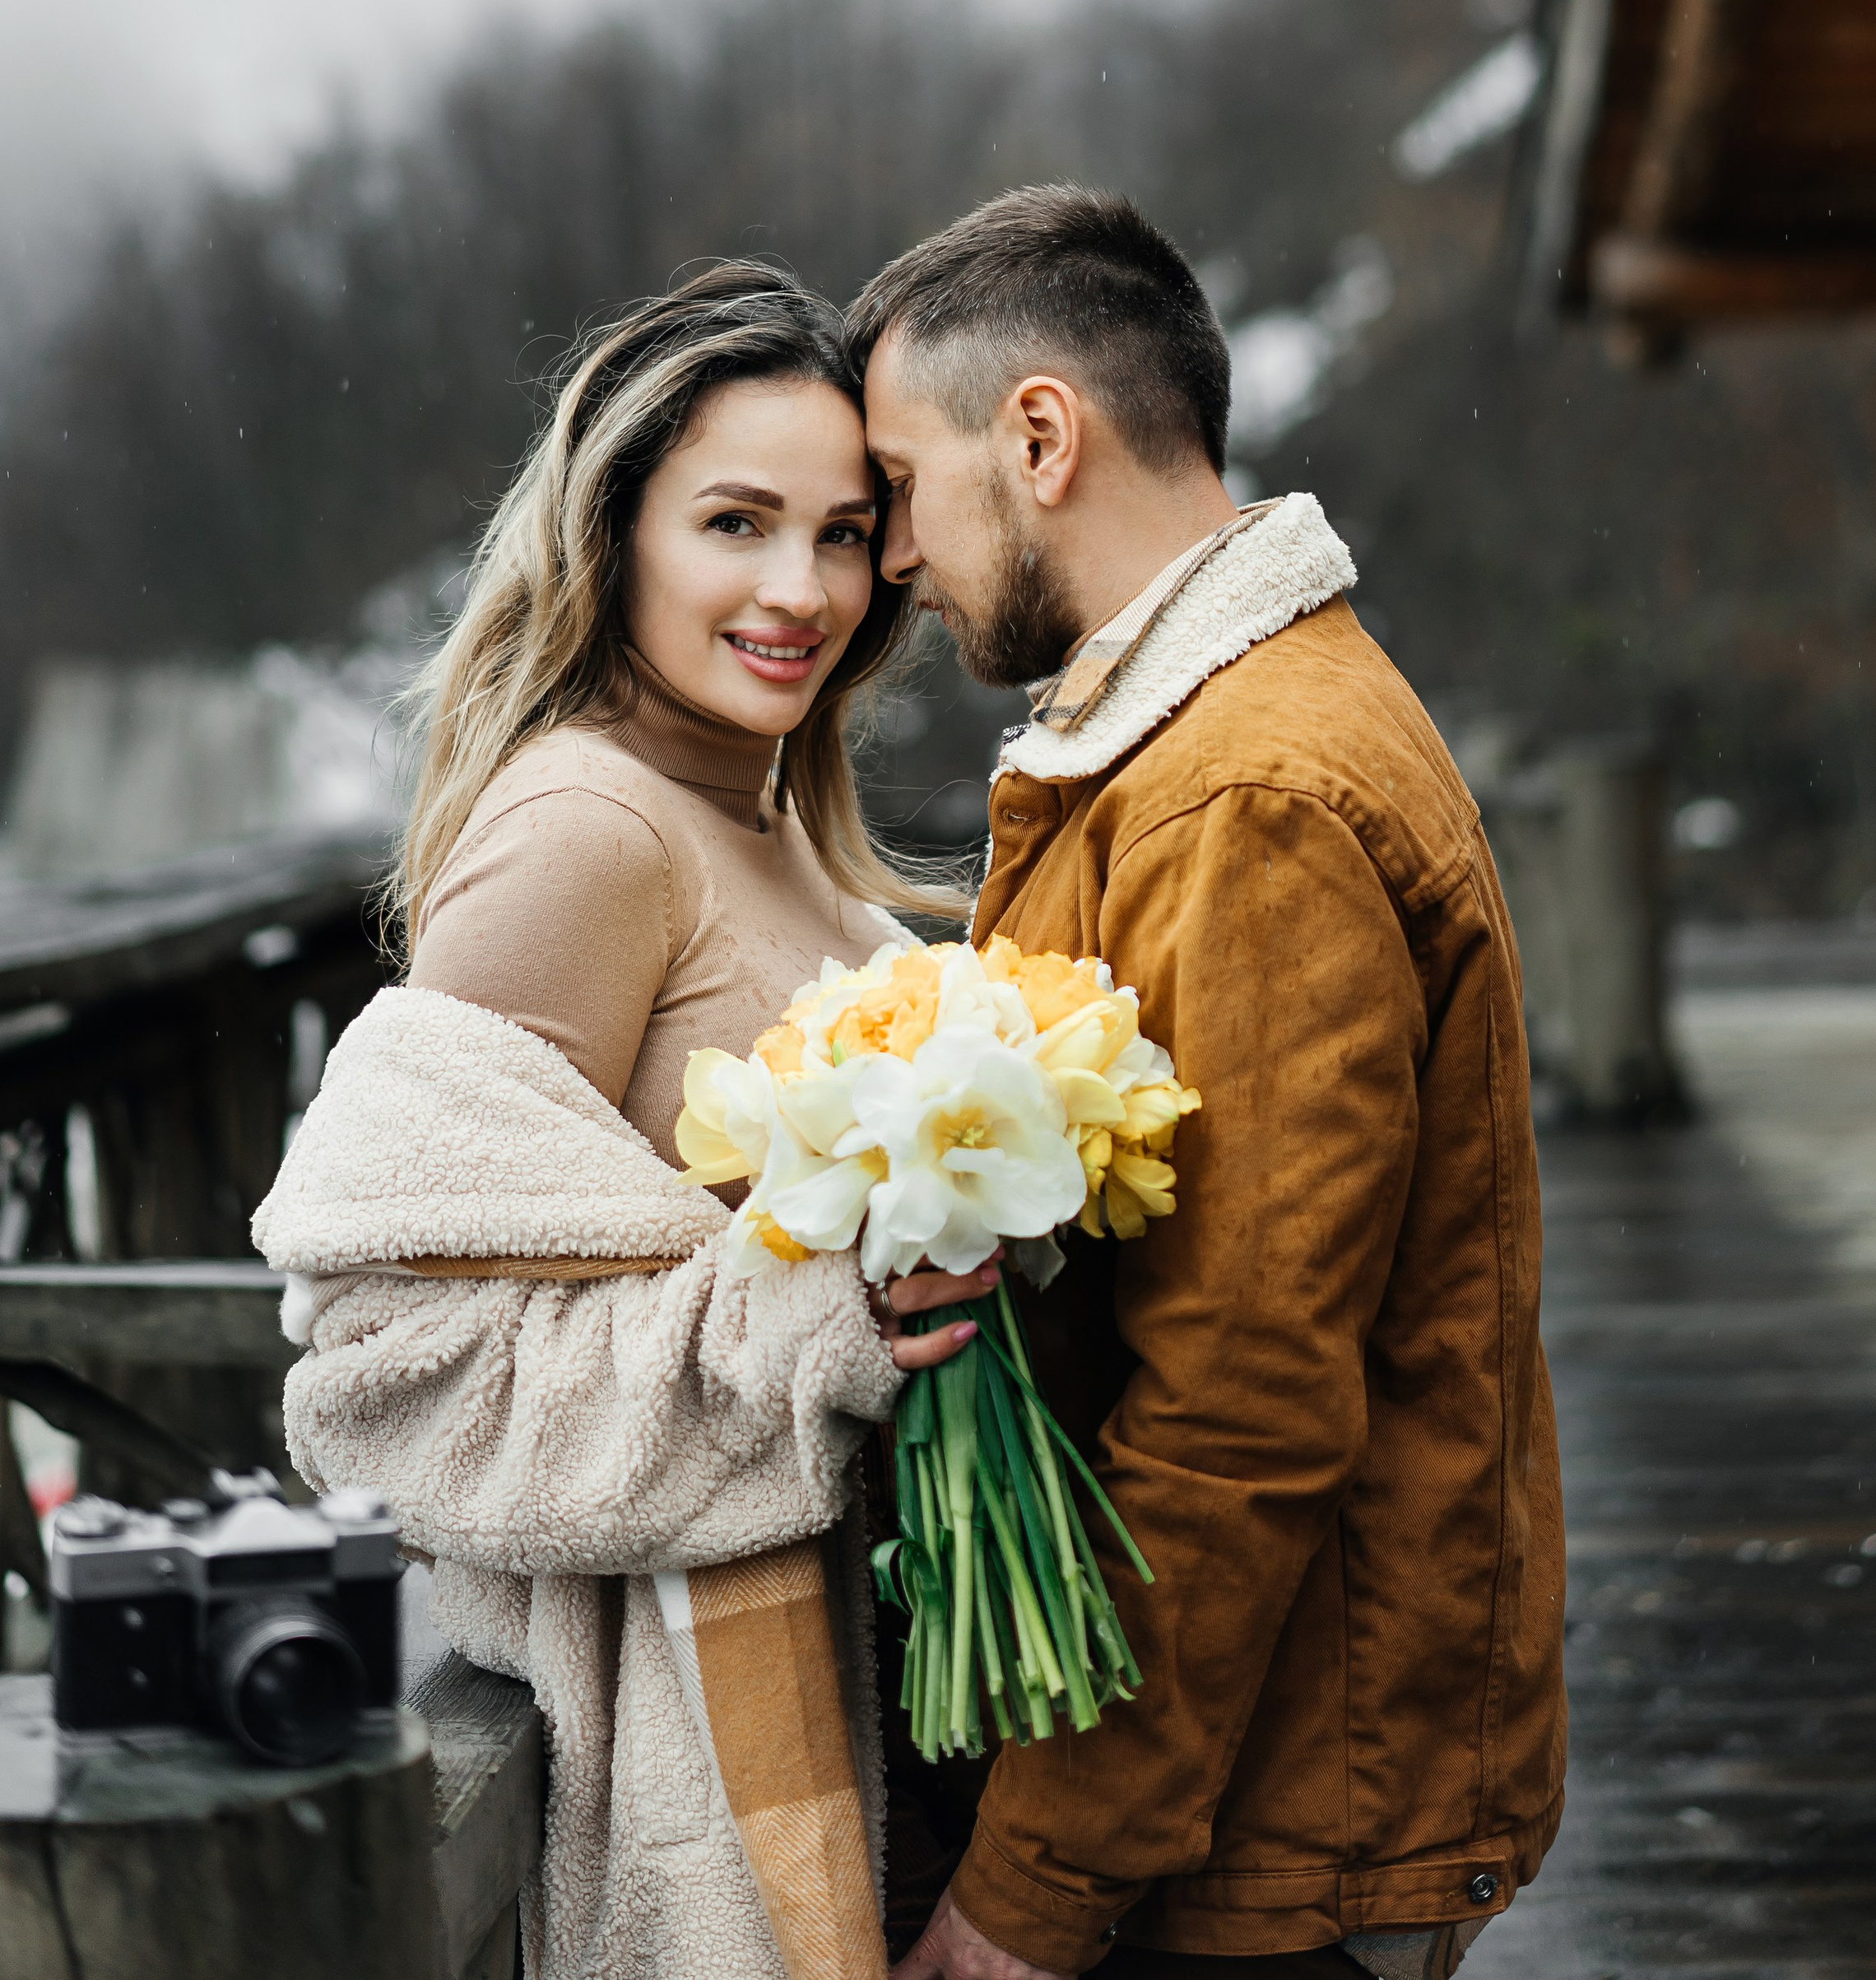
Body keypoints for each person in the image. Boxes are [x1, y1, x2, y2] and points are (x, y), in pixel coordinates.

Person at [847, 187, 1565, 1980]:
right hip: (1252, 1789)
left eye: (895, 490)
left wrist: (1028, 1890)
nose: (886, 562)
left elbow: (1241, 1406)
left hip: (1277, 1838)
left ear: (1037, 435)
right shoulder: (1193, 743)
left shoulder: (1242, 802)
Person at [255, 264, 993, 1980]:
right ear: (615, 533)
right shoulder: (586, 830)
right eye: (733, 522)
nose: (797, 588)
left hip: (897, 1704)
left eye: (840, 530)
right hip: (735, 1734)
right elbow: (384, 1382)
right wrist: (810, 1319)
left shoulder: (768, 817)